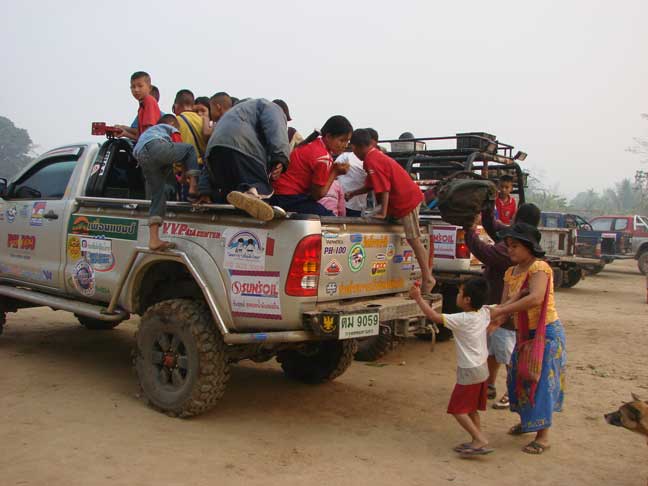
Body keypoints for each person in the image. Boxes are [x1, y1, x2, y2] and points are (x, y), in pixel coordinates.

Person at [489, 223, 566, 455]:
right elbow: (505, 305)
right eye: (509, 245)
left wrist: (501, 312)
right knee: (520, 378)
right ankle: (528, 423)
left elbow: (535, 298)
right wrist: (493, 320)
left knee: (540, 382)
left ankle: (543, 436)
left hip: (545, 333)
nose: (510, 250)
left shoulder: (539, 268)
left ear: (529, 247)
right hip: (523, 333)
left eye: (515, 246)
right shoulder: (510, 273)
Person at [464, 203, 541, 409]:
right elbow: (494, 227)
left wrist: (470, 231)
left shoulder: (523, 257)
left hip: (507, 314)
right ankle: (490, 385)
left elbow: (488, 253)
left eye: (512, 246)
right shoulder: (519, 246)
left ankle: (513, 391)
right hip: (500, 310)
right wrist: (487, 205)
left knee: (508, 355)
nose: (510, 248)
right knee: (492, 349)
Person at [409, 277, 494, 456]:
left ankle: (479, 439)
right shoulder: (484, 313)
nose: (457, 295)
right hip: (481, 368)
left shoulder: (462, 319)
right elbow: (501, 308)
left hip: (469, 370)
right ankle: (476, 438)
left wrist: (418, 298)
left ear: (467, 300)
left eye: (460, 293)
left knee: (458, 409)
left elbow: (433, 317)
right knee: (471, 408)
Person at [347, 128, 435, 294]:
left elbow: (384, 188)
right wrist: (353, 193)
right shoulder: (373, 157)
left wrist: (383, 212)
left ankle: (428, 277)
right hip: (401, 201)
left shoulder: (372, 160)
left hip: (406, 200)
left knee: (413, 238)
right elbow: (373, 184)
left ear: (356, 147)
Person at [202, 97, 289, 221]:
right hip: (241, 144)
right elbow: (276, 127)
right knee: (261, 186)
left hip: (214, 150)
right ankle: (253, 193)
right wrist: (280, 157)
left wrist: (204, 190)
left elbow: (206, 166)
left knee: (230, 195)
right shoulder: (269, 106)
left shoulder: (230, 114)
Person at [133, 114, 200, 251]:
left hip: (141, 155)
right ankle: (193, 186)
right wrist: (186, 176)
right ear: (172, 124)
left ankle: (154, 240)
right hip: (156, 146)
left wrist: (181, 176)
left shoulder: (147, 133)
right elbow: (180, 148)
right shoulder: (169, 127)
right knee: (189, 149)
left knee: (158, 195)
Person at [271, 116, 352, 216]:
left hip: (278, 193)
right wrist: (335, 172)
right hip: (289, 198)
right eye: (342, 140)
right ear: (328, 136)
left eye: (347, 141)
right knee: (330, 219)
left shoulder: (312, 144)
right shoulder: (323, 158)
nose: (345, 145)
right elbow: (318, 195)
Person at [116, 72, 161, 140]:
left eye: (140, 86)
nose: (136, 90)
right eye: (133, 87)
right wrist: (125, 133)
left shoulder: (149, 101)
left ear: (149, 88)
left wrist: (126, 132)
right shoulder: (142, 106)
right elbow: (141, 137)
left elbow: (148, 136)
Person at [172, 89, 207, 165]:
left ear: (176, 106)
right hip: (203, 166)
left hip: (186, 167)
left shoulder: (175, 122)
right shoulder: (203, 121)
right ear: (193, 106)